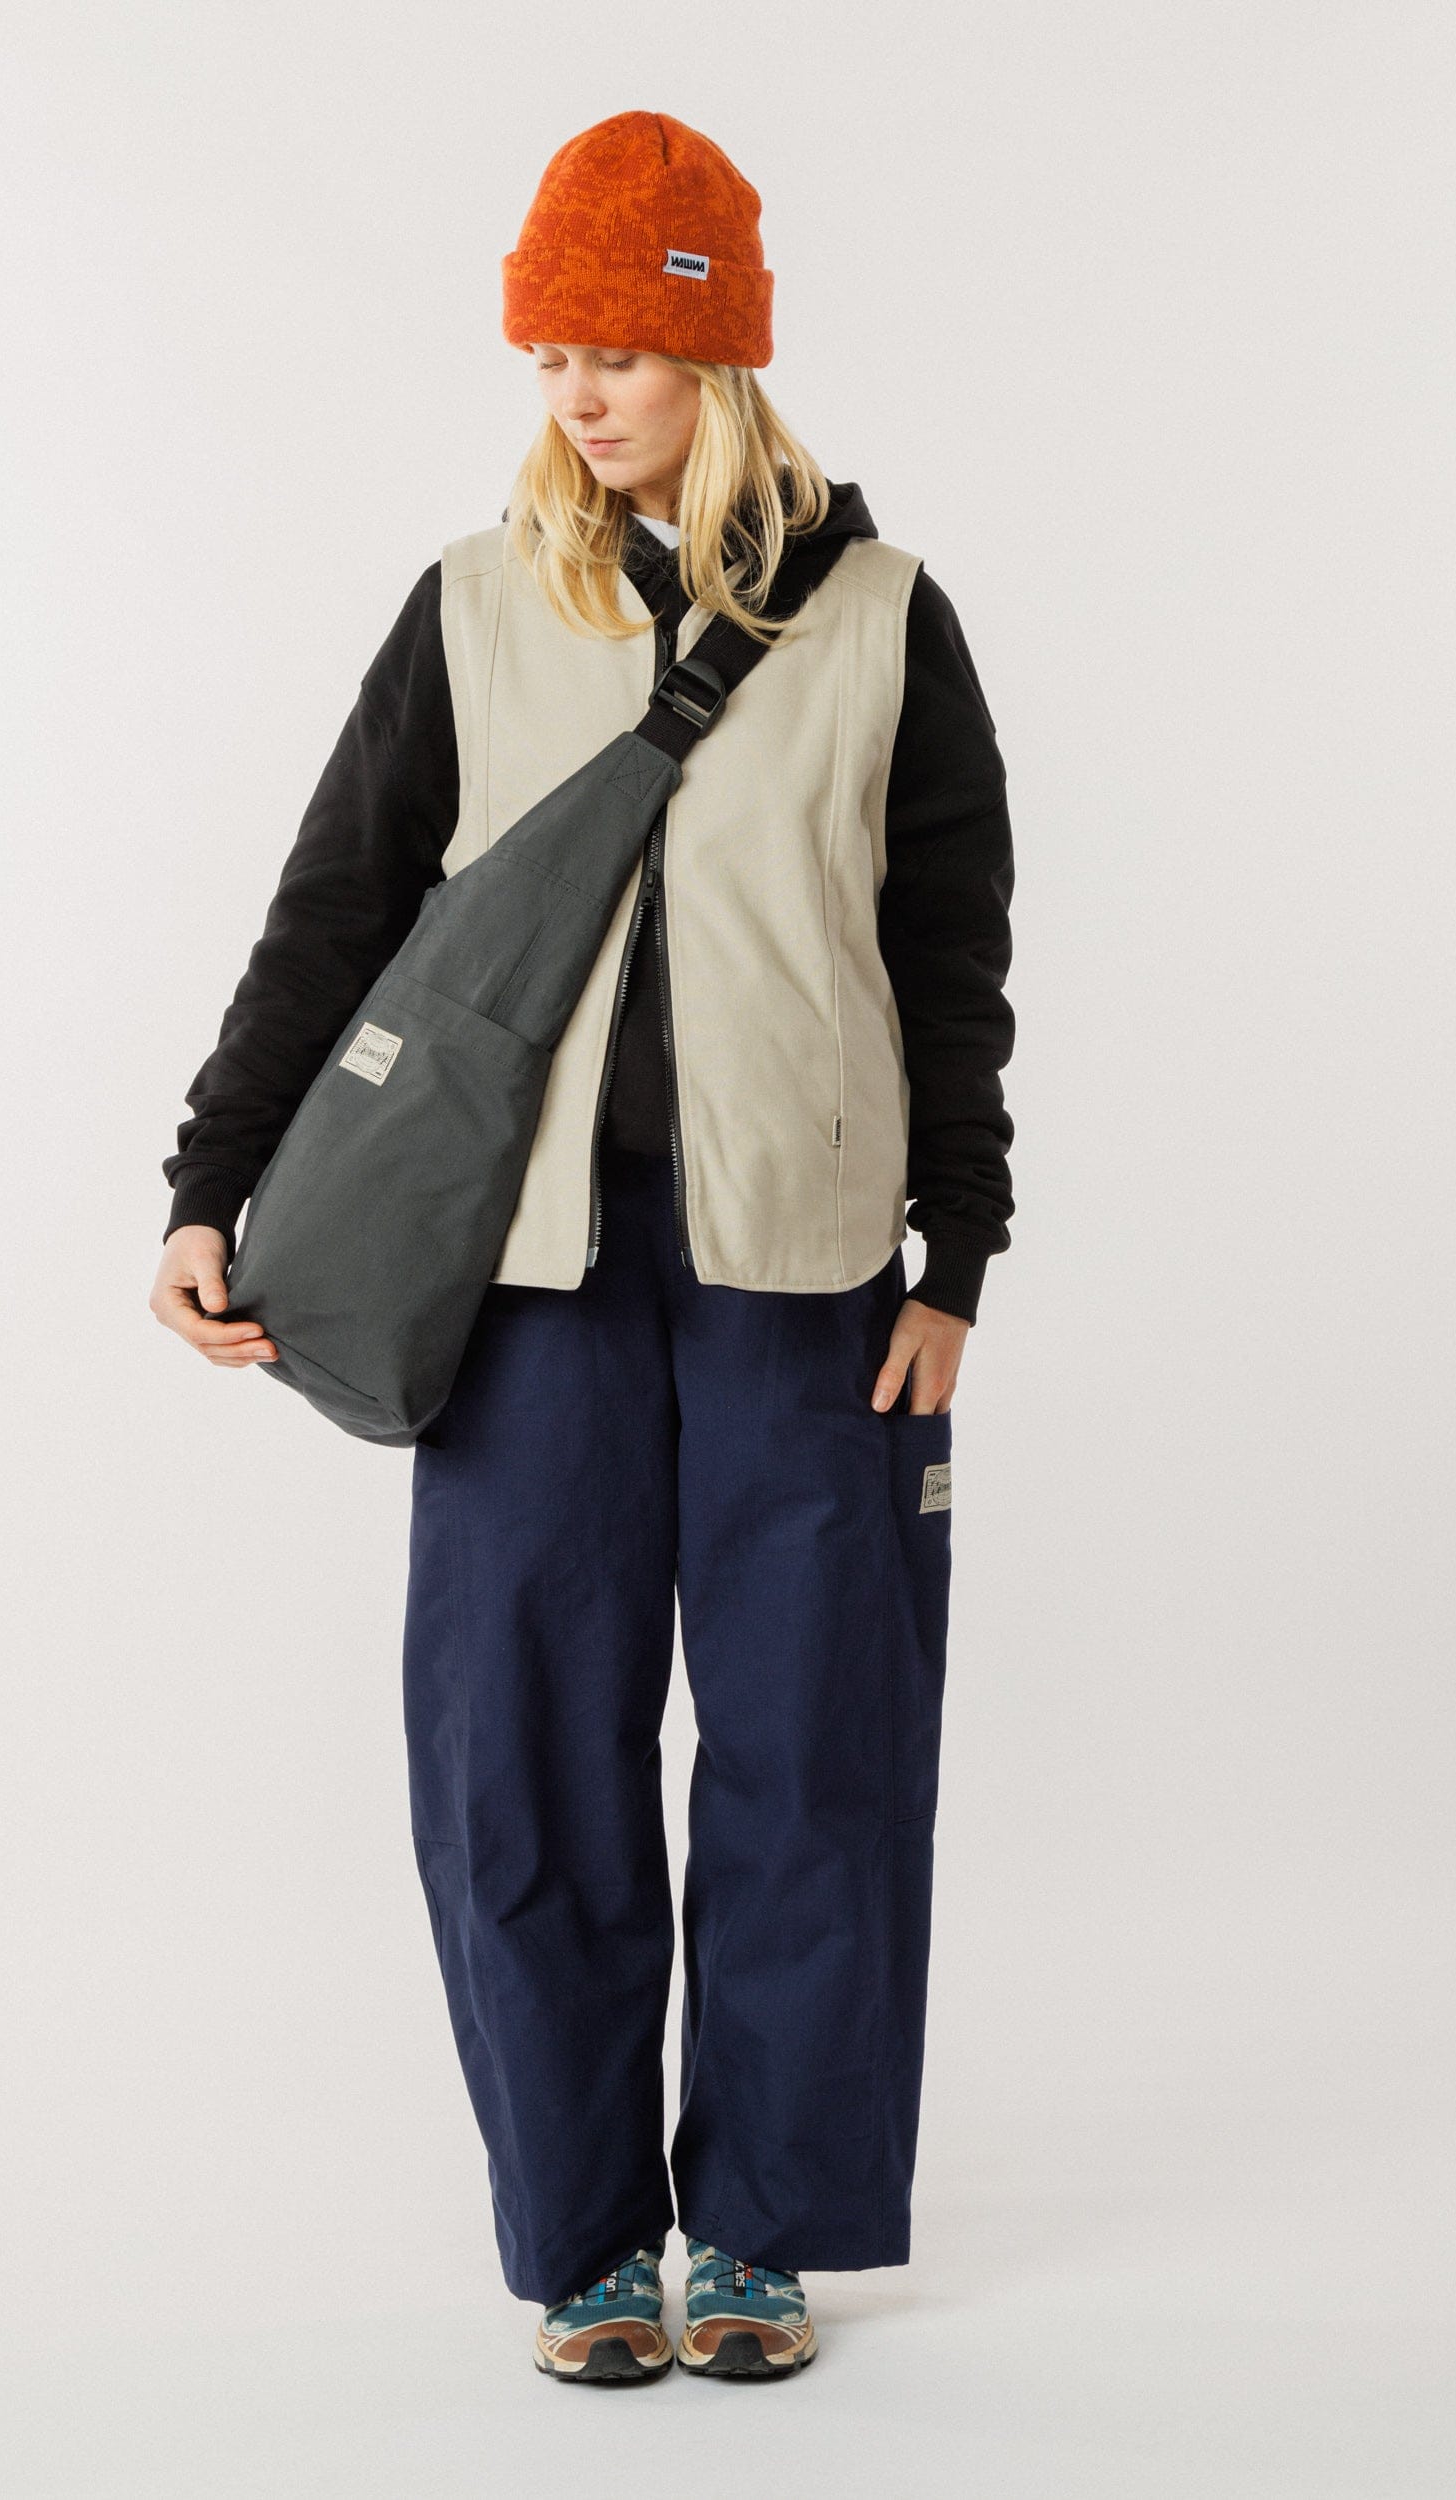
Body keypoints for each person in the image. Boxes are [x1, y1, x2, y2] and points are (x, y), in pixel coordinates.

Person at [149, 109, 1015, 2384]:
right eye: (550, 354)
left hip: (803, 1269)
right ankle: (587, 2239)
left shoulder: (881, 618)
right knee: (519, 1755)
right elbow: (335, 911)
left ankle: (764, 2230)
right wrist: (208, 1180)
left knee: (818, 1747)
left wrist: (959, 1251)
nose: (579, 394)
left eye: (619, 349)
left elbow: (948, 952)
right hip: (518, 1281)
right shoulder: (472, 605)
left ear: (719, 355)